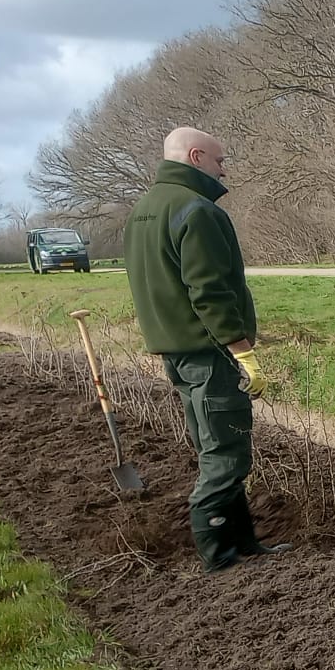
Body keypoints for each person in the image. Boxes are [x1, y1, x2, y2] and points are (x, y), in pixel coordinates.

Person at [123, 126, 290, 573]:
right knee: (227, 451)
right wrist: (242, 351)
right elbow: (209, 291)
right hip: (211, 353)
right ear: (195, 157)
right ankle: (217, 556)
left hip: (177, 354)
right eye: (219, 161)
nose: (223, 170)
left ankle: (243, 544)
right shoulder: (195, 211)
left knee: (214, 444)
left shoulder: (144, 210)